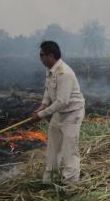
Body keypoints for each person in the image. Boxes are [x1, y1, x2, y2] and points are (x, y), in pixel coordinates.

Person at [32, 41, 85, 185]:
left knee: (69, 149)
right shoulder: (50, 69)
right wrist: (43, 105)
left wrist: (41, 115)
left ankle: (70, 182)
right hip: (59, 113)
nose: (40, 58)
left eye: (41, 55)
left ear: (50, 55)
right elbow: (48, 89)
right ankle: (50, 179)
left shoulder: (64, 73)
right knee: (53, 148)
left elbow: (62, 102)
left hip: (72, 114)